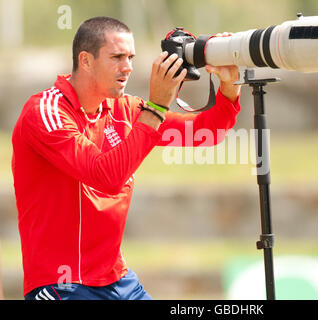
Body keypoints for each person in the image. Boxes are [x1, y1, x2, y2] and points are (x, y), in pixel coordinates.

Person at [12, 16, 241, 300]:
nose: (128, 67)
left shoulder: (126, 109)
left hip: (117, 280)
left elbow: (206, 132)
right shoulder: (44, 112)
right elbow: (105, 177)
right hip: (62, 282)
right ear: (85, 60)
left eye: (131, 57)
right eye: (117, 57)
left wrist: (229, 86)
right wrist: (156, 106)